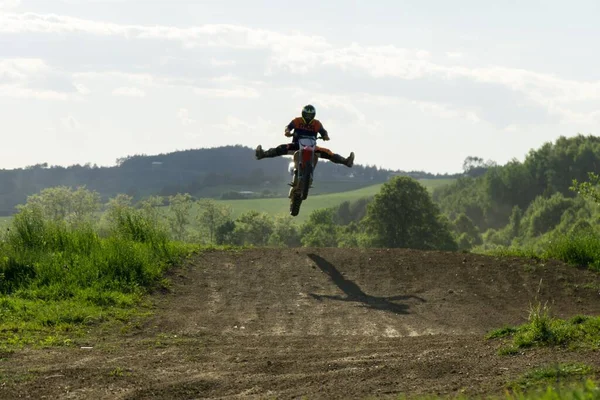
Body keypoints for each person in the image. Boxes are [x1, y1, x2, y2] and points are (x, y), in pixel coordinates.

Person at [255, 104, 355, 167]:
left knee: (328, 152)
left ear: (313, 115)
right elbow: (288, 127)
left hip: (312, 146)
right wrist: (287, 132)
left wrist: (325, 136)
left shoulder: (317, 123)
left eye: (310, 115)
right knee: (281, 148)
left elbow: (323, 132)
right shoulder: (297, 121)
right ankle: (262, 154)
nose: (308, 117)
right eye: (306, 114)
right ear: (303, 113)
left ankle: (346, 161)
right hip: (296, 145)